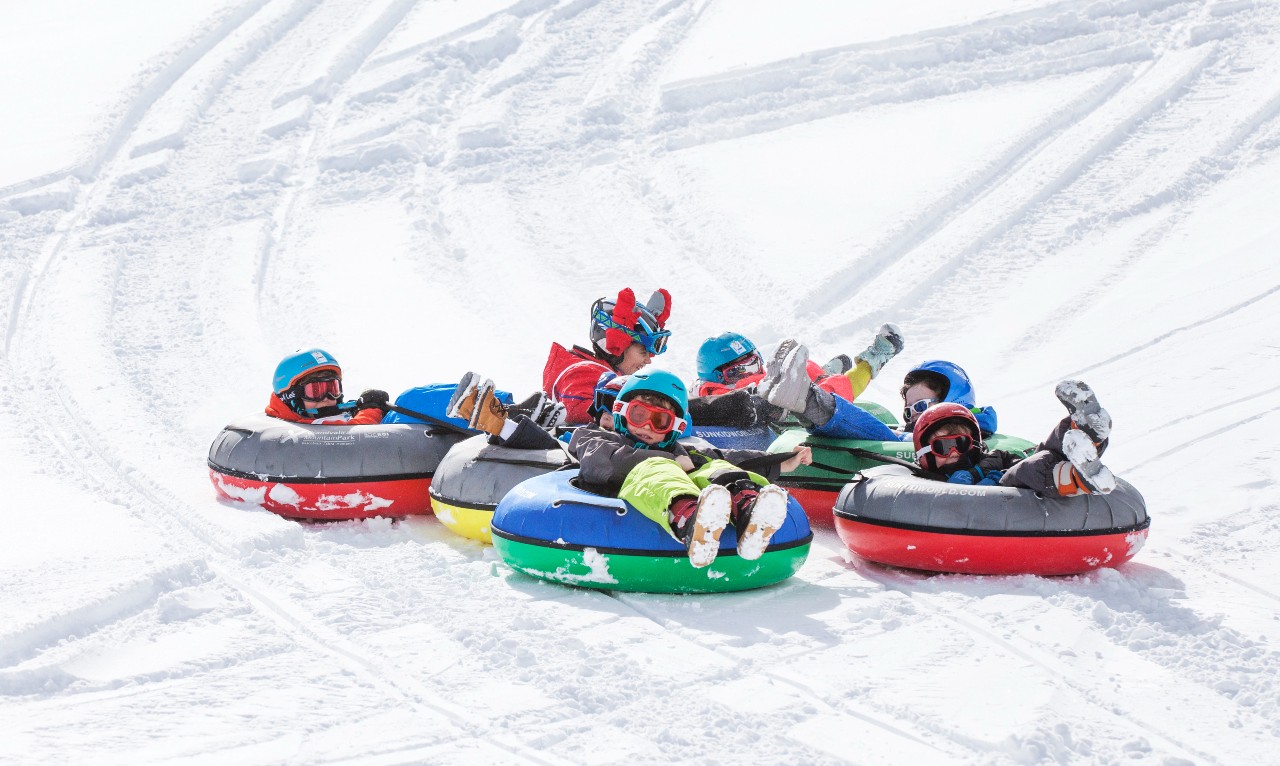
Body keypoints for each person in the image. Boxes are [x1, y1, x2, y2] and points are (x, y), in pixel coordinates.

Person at [569, 370, 813, 568]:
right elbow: (603, 462)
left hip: (678, 478)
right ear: (621, 411)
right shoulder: (595, 438)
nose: (647, 426)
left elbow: (732, 458)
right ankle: (694, 522)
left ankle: (749, 513)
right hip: (628, 503)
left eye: (660, 421)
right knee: (658, 468)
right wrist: (670, 462)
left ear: (674, 427)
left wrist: (780, 460)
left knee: (714, 466)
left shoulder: (680, 451)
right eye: (639, 414)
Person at [911, 380, 1116, 496]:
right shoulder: (923, 482)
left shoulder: (992, 459)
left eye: (961, 443)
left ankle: (1086, 431)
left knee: (1039, 457)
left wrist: (984, 473)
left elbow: (1019, 462)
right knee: (1025, 472)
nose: (954, 452)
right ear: (925, 454)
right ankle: (1075, 477)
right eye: (943, 446)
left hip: (1009, 490)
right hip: (1002, 496)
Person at [542, 287, 672, 425]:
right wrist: (640, 416)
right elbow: (573, 409)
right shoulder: (585, 372)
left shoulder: (605, 373)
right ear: (617, 345)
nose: (648, 360)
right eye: (643, 352)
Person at [265, 348, 390, 425]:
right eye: (315, 391)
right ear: (291, 398)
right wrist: (372, 411)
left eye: (332, 389)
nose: (327, 398)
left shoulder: (332, 416)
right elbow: (350, 436)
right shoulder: (298, 430)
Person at [900, 359, 998, 436]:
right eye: (908, 411)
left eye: (920, 405)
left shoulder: (963, 442)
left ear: (951, 401)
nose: (912, 414)